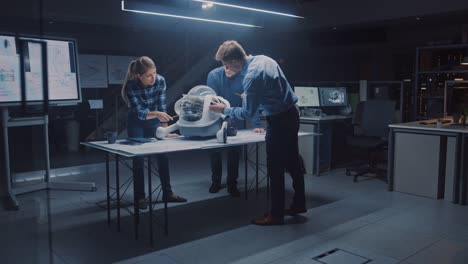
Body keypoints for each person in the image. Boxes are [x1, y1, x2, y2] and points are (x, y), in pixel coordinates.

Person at [209, 41, 306, 226]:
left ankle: (275, 215)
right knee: (293, 160)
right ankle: (299, 204)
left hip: (278, 120)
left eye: (226, 64)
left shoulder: (251, 78)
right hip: (292, 113)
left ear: (236, 61)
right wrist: (253, 97)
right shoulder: (263, 59)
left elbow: (247, 113)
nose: (226, 69)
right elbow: (273, 89)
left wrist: (224, 110)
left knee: (274, 167)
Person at [121, 56, 187, 208]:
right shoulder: (131, 86)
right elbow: (139, 112)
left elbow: (162, 106)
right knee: (139, 159)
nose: (153, 78)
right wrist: (156, 114)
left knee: (162, 155)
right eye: (149, 75)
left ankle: (168, 193)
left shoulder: (160, 81)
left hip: (153, 120)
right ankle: (140, 197)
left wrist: (164, 130)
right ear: (139, 76)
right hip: (136, 121)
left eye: (155, 73)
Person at [206, 66, 265, 197]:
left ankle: (232, 184)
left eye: (232, 66)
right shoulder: (214, 75)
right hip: (215, 118)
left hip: (235, 117)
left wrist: (256, 124)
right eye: (226, 65)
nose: (228, 69)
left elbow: (251, 101)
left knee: (234, 152)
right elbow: (211, 102)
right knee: (214, 150)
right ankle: (215, 181)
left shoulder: (246, 76)